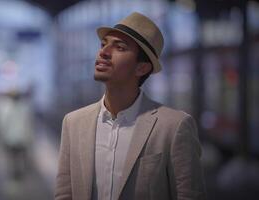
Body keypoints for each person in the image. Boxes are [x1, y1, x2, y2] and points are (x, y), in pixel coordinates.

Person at [55, 12, 206, 200]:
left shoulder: (174, 126)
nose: (103, 52)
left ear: (142, 67)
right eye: (103, 44)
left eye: (119, 47)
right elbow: (64, 195)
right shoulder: (73, 123)